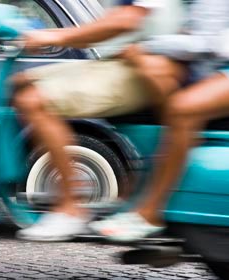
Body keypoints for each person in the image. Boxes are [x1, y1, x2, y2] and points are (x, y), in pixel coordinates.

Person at [12, 0, 187, 241]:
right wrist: (46, 35)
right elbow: (107, 27)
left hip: (142, 66)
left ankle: (71, 205)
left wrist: (51, 37)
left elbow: (125, 21)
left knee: (33, 100)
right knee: (18, 82)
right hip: (121, 62)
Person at [89, 0, 229, 242]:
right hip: (210, 65)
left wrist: (142, 47)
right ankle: (140, 197)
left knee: (182, 109)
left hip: (219, 65)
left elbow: (204, 43)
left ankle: (150, 213)